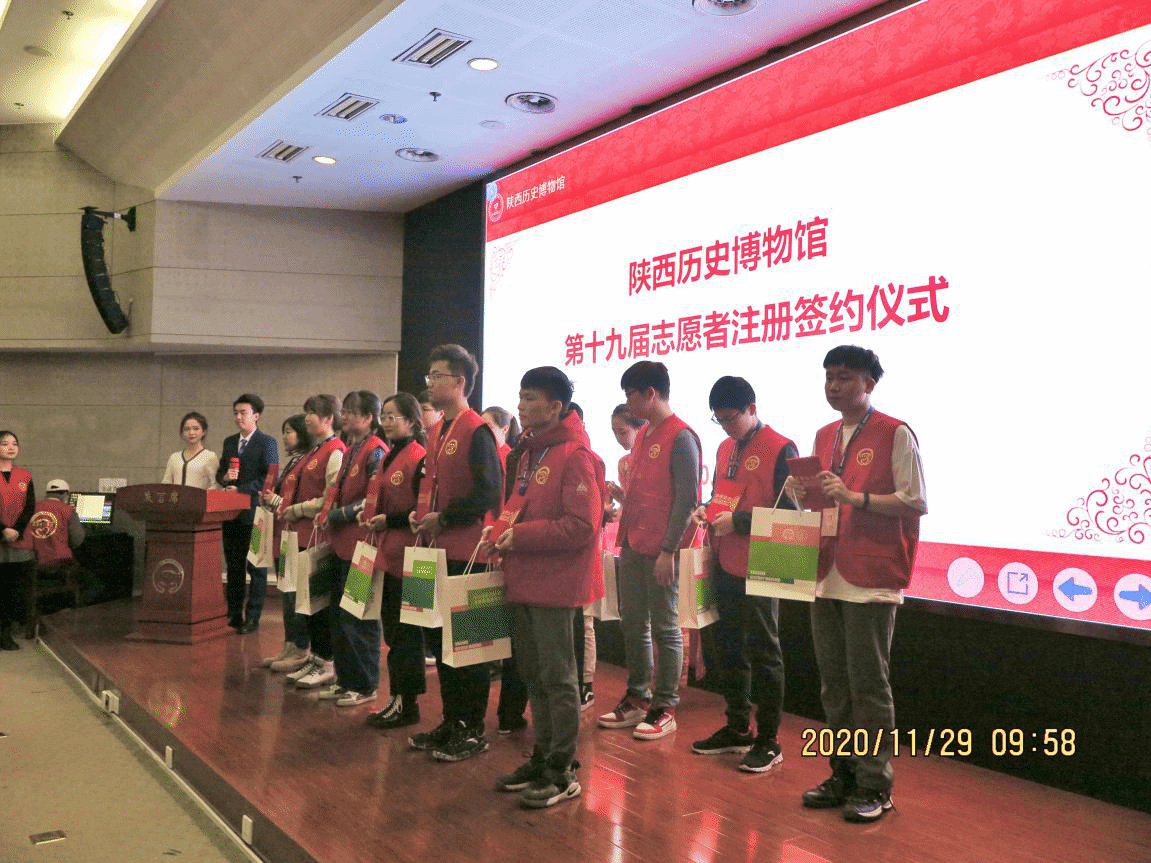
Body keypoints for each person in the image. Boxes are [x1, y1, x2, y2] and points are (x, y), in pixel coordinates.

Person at [792, 345, 927, 823]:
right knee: (834, 686)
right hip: (825, 571)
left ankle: (875, 784)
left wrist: (854, 497)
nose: (833, 385)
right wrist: (802, 495)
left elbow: (915, 501)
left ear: (869, 383)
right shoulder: (824, 434)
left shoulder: (895, 432)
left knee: (868, 686)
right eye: (828, 376)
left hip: (871, 576)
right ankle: (843, 774)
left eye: (844, 377)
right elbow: (824, 505)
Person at [487, 367, 605, 808]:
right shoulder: (529, 452)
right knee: (533, 675)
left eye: (530, 398)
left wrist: (521, 535)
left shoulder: (575, 455)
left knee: (558, 678)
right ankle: (543, 755)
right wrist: (500, 532)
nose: (520, 405)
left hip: (556, 583)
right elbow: (518, 508)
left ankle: (562, 769)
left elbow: (582, 526)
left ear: (556, 407)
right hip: (523, 577)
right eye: (519, 396)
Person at [689, 376, 797, 773]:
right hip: (725, 560)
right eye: (718, 420)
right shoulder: (724, 447)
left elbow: (792, 513)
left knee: (764, 652)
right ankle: (737, 727)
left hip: (765, 562)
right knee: (728, 647)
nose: (725, 427)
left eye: (730, 418)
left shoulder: (782, 447)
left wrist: (738, 521)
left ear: (752, 409)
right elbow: (723, 493)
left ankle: (769, 740)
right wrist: (707, 509)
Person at [407, 344, 503, 762]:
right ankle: (452, 720)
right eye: (429, 375)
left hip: (472, 554)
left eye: (437, 376)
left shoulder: (477, 429)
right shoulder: (438, 429)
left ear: (460, 382)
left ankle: (473, 729)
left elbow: (489, 493)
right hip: (435, 551)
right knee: (441, 643)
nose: (429, 383)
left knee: (471, 649)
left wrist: (444, 517)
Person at [598, 361, 700, 740]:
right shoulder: (643, 435)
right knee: (634, 623)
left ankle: (665, 705)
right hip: (633, 543)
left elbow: (687, 500)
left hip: (661, 549)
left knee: (665, 627)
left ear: (650, 393)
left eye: (631, 395)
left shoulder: (681, 437)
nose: (628, 402)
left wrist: (669, 550)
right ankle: (638, 697)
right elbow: (647, 494)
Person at [315, 391, 388, 707]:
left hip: (362, 547)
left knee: (358, 617)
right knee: (338, 615)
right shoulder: (351, 448)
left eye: (350, 412)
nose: (343, 417)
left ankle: (365, 685)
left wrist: (336, 515)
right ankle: (345, 680)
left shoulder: (376, 451)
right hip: (340, 544)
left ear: (369, 417)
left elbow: (373, 498)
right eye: (343, 411)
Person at [362, 393, 427, 729]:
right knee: (394, 632)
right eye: (384, 416)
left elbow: (421, 509)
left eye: (393, 417)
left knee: (406, 635)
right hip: (389, 553)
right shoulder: (390, 455)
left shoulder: (418, 456)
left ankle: (407, 703)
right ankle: (397, 697)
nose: (386, 422)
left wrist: (389, 519)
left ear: (412, 421)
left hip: (411, 557)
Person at [277, 396, 346, 686]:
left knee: (320, 603)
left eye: (313, 413)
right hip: (303, 535)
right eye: (306, 412)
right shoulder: (314, 450)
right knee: (308, 603)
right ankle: (316, 658)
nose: (307, 418)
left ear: (329, 418)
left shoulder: (335, 450)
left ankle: (326, 662)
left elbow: (330, 498)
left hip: (319, 536)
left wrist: (297, 509)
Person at [215, 394, 279, 634]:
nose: (238, 417)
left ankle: (253, 617)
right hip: (231, 513)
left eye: (243, 413)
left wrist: (241, 490)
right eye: (236, 413)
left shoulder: (267, 442)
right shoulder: (230, 442)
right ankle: (234, 614)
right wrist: (224, 478)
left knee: (256, 567)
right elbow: (221, 471)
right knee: (234, 566)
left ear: (256, 416)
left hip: (255, 512)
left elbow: (269, 478)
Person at [259, 414, 314, 670]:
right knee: (287, 594)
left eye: (290, 431)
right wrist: (270, 499)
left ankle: (301, 648)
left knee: (296, 595)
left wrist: (276, 501)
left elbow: (303, 502)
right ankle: (290, 644)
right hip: (285, 534)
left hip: (300, 535)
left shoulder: (308, 461)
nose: (285, 436)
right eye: (284, 431)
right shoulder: (294, 461)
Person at [0, 431, 35, 651]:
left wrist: (16, 530)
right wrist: (2, 530)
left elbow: (30, 506)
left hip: (18, 540)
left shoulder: (25, 476)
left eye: (15, 444)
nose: (11, 447)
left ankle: (5, 633)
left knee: (12, 590)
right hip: (1, 536)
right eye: (5, 443)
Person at [161, 412, 220, 489]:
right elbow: (166, 483)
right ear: (182, 433)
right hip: (176, 496)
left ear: (203, 432)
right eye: (187, 429)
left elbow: (215, 485)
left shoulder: (210, 456)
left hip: (199, 496)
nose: (191, 433)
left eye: (196, 429)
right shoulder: (174, 457)